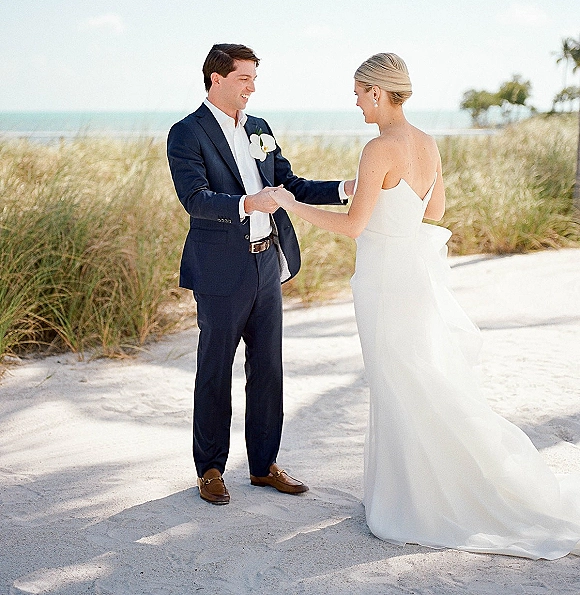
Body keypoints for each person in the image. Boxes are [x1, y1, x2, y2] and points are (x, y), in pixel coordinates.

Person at [271, 52, 580, 559]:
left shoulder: (378, 148)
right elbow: (433, 212)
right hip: (411, 277)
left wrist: (288, 202)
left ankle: (408, 503)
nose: (353, 101)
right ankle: (409, 493)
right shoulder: (428, 143)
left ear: (376, 91)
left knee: (398, 382)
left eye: (357, 91)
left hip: (384, 283)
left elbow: (352, 226)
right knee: (418, 380)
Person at [167, 43, 354, 505]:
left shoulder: (260, 128)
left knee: (268, 368)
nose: (252, 87)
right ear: (217, 79)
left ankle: (264, 466)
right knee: (215, 369)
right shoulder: (186, 133)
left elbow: (290, 185)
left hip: (267, 261)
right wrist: (248, 203)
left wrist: (347, 188)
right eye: (244, 78)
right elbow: (195, 198)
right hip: (219, 269)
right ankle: (209, 470)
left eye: (254, 78)